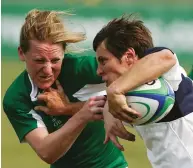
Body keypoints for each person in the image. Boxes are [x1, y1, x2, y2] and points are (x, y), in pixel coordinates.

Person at [3, 9, 130, 168]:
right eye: (39, 60)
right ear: (22, 53)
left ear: (64, 53)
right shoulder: (16, 97)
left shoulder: (81, 69)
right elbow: (47, 152)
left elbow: (133, 73)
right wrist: (81, 115)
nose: (48, 70)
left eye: (55, 60)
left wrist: (68, 108)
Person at [92, 15, 193, 168]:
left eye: (103, 61)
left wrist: (115, 91)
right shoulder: (124, 94)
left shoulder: (165, 76)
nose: (99, 71)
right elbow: (93, 105)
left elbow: (165, 57)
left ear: (129, 56)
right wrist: (108, 108)